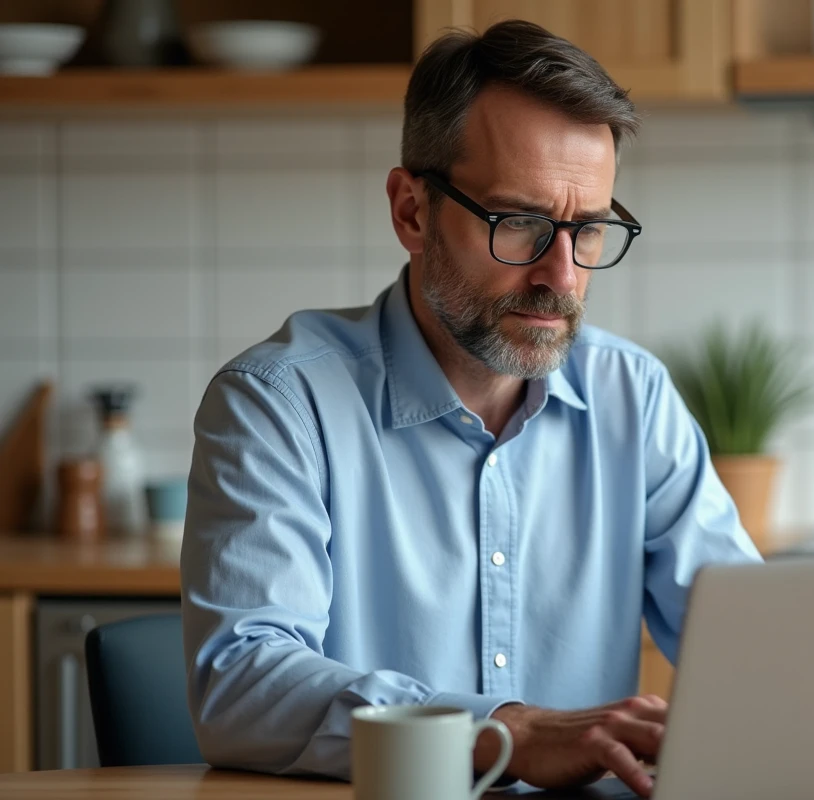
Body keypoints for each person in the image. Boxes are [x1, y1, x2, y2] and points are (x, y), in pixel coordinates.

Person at [180, 19, 761, 798]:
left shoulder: (635, 397)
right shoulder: (280, 404)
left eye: (588, 229)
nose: (561, 274)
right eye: (518, 222)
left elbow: (754, 656)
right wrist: (506, 733)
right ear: (412, 211)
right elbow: (243, 686)